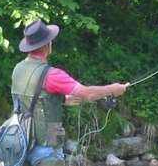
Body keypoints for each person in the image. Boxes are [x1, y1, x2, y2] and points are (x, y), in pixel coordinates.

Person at [12, 19, 128, 166]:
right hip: (48, 147)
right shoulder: (52, 75)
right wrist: (112, 89)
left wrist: (61, 99)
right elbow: (87, 93)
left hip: (20, 143)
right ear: (48, 45)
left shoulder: (18, 69)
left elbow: (31, 97)